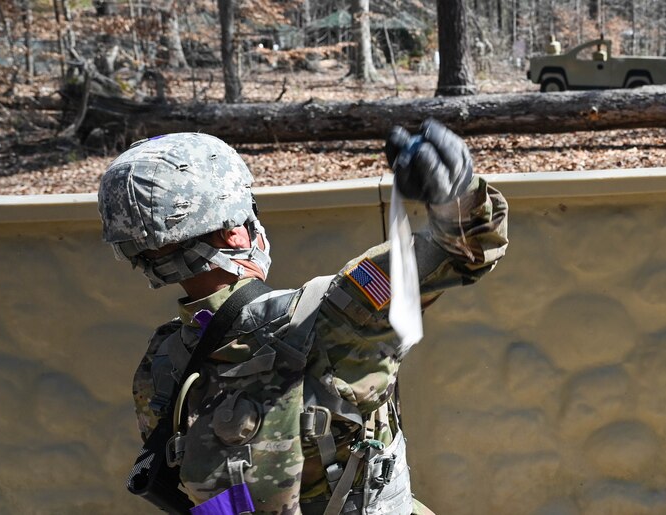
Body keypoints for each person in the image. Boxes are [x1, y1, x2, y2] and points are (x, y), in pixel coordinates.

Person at [97, 120, 509, 515]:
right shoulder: (332, 315)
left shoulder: (161, 368)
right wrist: (458, 193)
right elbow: (469, 248)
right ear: (235, 233)